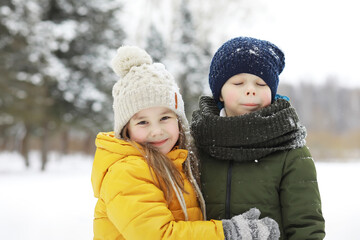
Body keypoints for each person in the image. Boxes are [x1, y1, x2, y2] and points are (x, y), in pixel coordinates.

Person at [91, 46, 280, 240]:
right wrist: (226, 233)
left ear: (178, 120)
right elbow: (158, 235)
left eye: (165, 118)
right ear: (126, 129)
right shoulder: (126, 172)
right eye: (142, 122)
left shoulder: (180, 161)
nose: (156, 131)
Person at [191, 36, 326, 240]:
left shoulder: (290, 150)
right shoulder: (196, 144)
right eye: (238, 82)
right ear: (219, 93)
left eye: (261, 83)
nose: (250, 89)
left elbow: (306, 227)